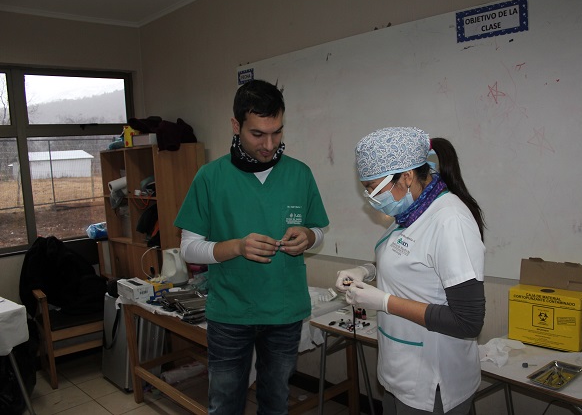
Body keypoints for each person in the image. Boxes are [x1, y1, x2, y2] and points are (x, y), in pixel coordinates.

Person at [174, 79, 329, 414]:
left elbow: (318, 230)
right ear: (236, 125)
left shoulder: (299, 174)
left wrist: (309, 236)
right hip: (230, 313)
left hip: (285, 312)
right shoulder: (210, 177)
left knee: (276, 401)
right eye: (258, 134)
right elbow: (189, 248)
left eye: (277, 132)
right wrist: (236, 247)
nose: (269, 144)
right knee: (225, 403)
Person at [335, 127, 486, 415]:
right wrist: (365, 271)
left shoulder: (450, 221)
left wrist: (384, 302)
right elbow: (411, 264)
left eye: (373, 188)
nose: (370, 197)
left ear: (406, 176)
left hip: (433, 381)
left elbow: (468, 321)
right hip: (399, 368)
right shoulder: (409, 210)